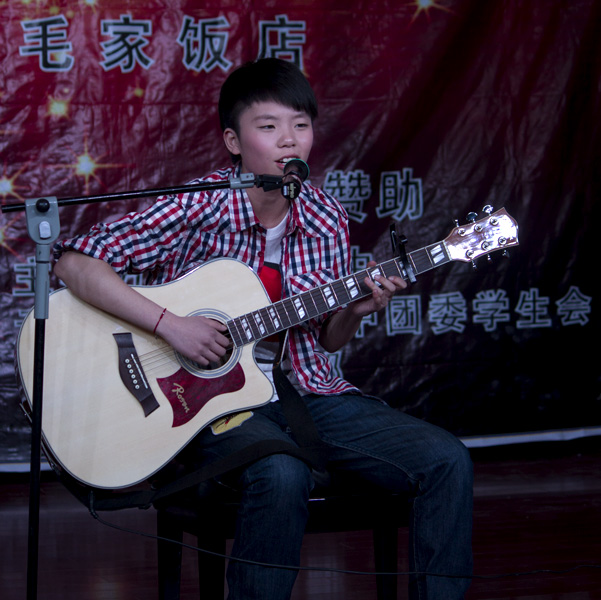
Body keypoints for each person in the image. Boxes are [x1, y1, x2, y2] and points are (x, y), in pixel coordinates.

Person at [54, 58, 473, 600]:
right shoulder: (198, 204)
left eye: (301, 125)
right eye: (269, 126)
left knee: (446, 459)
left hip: (306, 392)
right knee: (280, 472)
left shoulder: (325, 216)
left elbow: (326, 340)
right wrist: (171, 326)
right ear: (233, 141)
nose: (289, 139)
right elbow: (75, 262)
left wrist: (355, 309)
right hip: (205, 402)